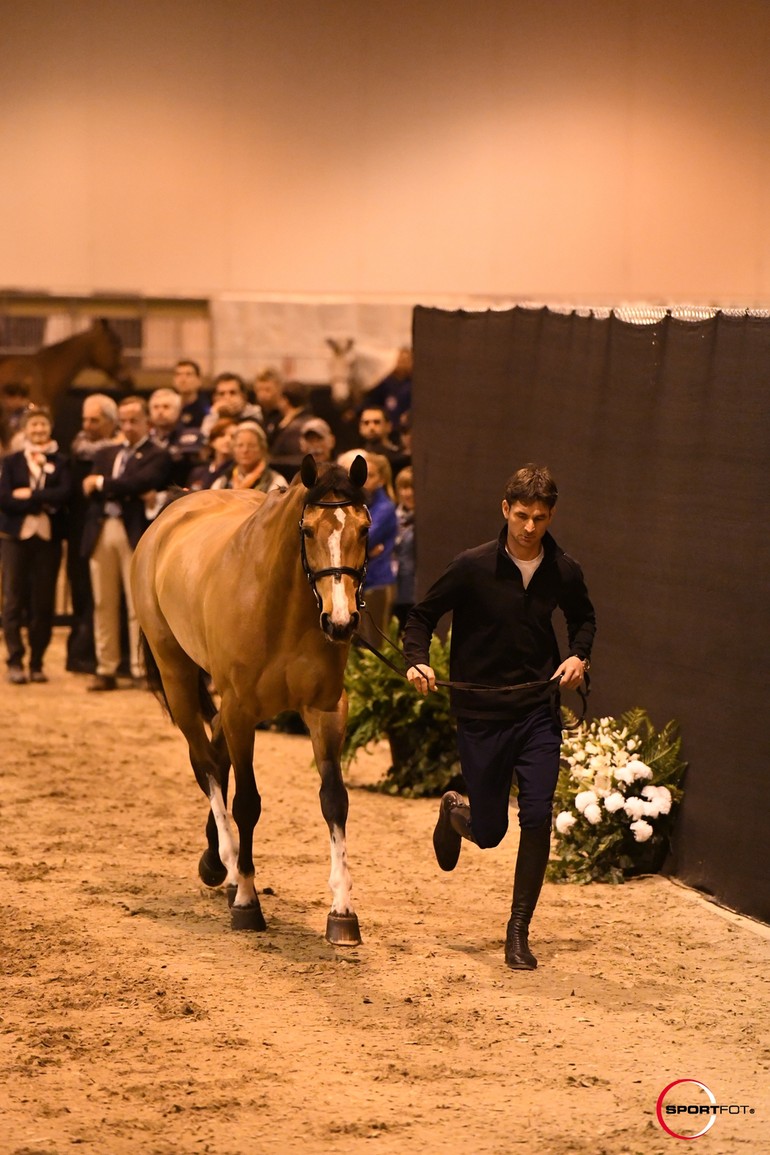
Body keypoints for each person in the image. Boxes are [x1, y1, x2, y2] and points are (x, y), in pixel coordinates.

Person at [403, 464, 595, 972]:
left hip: (537, 711)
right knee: (489, 832)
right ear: (505, 509)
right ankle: (454, 811)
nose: (530, 527)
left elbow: (584, 619)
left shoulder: (563, 569)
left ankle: (518, 931)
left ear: (551, 516)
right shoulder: (471, 566)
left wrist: (578, 656)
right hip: (482, 714)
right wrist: (416, 659)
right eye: (522, 515)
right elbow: (421, 616)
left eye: (540, 517)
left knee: (536, 816)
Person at [81, 396, 173, 691]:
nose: (128, 426)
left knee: (138, 605)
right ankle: (105, 667)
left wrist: (101, 483)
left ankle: (140, 669)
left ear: (147, 422)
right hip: (102, 529)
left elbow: (139, 482)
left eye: (135, 420)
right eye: (124, 420)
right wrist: (110, 486)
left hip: (134, 533)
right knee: (102, 602)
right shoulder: (106, 453)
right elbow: (109, 486)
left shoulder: (158, 454)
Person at [0, 406, 72, 683]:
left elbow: (64, 494)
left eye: (43, 424)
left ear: (50, 427)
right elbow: (5, 498)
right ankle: (15, 660)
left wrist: (30, 494)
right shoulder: (12, 461)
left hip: (47, 538)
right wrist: (44, 499)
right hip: (15, 538)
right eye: (34, 426)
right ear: (26, 430)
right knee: (13, 600)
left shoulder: (61, 461)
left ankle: (38, 662)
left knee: (43, 603)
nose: (39, 430)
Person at [66, 393, 122, 673]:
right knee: (83, 594)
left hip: (110, 527)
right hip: (80, 530)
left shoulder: (120, 452)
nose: (87, 425)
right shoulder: (77, 450)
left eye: (95, 420)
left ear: (112, 422)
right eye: (85, 419)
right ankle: (83, 654)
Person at [148, 386, 204, 487]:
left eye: (166, 407)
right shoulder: (146, 439)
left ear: (178, 410)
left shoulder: (190, 435)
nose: (160, 411)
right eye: (156, 407)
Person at [210, 421, 284, 493]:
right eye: (240, 445)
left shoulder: (276, 483)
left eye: (251, 445)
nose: (245, 450)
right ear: (233, 449)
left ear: (262, 449)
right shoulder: (222, 483)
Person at [200, 373, 262, 439]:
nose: (227, 397)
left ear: (243, 396)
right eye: (222, 394)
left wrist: (242, 411)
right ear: (214, 398)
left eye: (232, 393)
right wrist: (214, 414)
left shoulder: (255, 412)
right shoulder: (212, 415)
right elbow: (204, 439)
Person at [392, 465, 416, 631]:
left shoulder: (425, 519)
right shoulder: (391, 517)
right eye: (403, 487)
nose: (407, 493)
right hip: (395, 587)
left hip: (416, 588)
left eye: (412, 487)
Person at [367, 345, 413, 430]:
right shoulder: (387, 381)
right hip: (389, 428)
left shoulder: (413, 384)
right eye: (401, 360)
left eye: (406, 360)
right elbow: (372, 399)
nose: (402, 363)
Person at [186, 417, 236, 490]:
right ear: (212, 441)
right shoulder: (198, 472)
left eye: (233, 437)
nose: (227, 440)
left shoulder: (237, 472)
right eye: (222, 435)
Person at [172, 359, 210, 428]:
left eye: (188, 374)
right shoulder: (169, 407)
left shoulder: (206, 410)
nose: (183, 379)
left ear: (199, 380)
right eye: (178, 374)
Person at [253, 369, 284, 446]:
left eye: (267, 390)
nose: (262, 394)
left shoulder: (285, 414)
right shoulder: (254, 414)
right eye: (259, 390)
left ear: (278, 389)